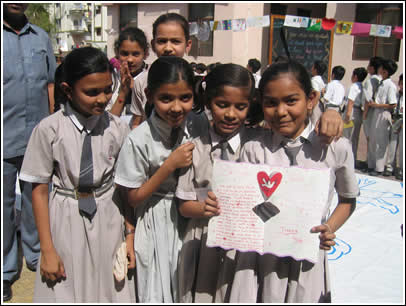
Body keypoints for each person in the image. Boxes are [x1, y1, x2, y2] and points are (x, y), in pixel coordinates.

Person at [19, 47, 134, 303]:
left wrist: (129, 237)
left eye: (107, 89)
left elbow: (126, 188)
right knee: (65, 286)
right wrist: (47, 249)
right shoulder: (49, 130)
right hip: (65, 217)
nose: (102, 98)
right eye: (91, 92)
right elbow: (37, 189)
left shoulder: (116, 129)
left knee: (109, 287)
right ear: (68, 90)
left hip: (108, 216)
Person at [240, 60, 359, 302]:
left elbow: (347, 199)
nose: (281, 111)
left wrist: (329, 227)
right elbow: (245, 202)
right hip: (262, 257)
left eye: (291, 100)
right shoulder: (253, 149)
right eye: (271, 103)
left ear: (311, 99)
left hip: (308, 257)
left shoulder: (336, 148)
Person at [114, 56, 208, 303]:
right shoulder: (139, 139)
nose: (176, 107)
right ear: (149, 95)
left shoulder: (198, 124)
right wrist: (168, 166)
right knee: (158, 287)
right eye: (166, 98)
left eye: (185, 98)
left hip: (192, 218)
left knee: (189, 286)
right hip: (155, 220)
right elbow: (132, 198)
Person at [176, 63, 263, 303]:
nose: (230, 114)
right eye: (222, 105)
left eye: (240, 106)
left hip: (245, 246)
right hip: (205, 241)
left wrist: (329, 113)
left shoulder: (259, 145)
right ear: (207, 101)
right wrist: (204, 207)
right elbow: (184, 204)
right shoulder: (194, 149)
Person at [3, 3, 57, 301]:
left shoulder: (41, 37)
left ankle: (37, 258)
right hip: (3, 137)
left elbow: (49, 84)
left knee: (37, 199)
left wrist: (49, 124)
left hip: (37, 136)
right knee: (3, 208)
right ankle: (5, 270)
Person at [129, 13, 192, 129]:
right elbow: (136, 122)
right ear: (153, 45)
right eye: (162, 41)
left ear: (187, 45)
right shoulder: (141, 82)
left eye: (175, 41)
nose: (168, 48)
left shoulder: (195, 82)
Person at [107, 27, 149, 117]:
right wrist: (123, 92)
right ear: (117, 52)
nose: (130, 59)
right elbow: (108, 120)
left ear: (145, 54)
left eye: (135, 54)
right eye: (125, 54)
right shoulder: (111, 79)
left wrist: (137, 89)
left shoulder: (150, 79)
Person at [366, 59, 398, 176]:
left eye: (381, 68)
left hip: (383, 113)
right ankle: (372, 165)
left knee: (381, 141)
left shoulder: (390, 85)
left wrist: (377, 105)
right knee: (373, 139)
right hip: (376, 112)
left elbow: (393, 103)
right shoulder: (381, 83)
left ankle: (379, 168)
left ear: (385, 71)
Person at [362, 56, 383, 173]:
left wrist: (364, 113)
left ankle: (370, 163)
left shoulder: (370, 81)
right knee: (374, 138)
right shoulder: (379, 80)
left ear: (372, 67)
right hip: (376, 112)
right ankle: (371, 161)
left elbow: (367, 99)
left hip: (369, 112)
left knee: (370, 138)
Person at [342, 67, 368, 163]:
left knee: (347, 136)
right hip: (358, 113)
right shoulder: (362, 86)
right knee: (355, 137)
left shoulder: (354, 86)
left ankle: (346, 159)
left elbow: (350, 102)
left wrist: (347, 117)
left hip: (352, 112)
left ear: (355, 76)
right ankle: (353, 157)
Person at [384, 73, 403, 179]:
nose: (402, 86)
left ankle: (401, 169)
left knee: (402, 148)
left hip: (403, 121)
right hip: (395, 120)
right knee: (392, 145)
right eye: (401, 83)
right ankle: (390, 166)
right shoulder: (396, 94)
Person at [310, 60, 327, 125]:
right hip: (320, 104)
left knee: (313, 123)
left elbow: (317, 94)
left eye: (313, 67)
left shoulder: (314, 80)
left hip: (315, 103)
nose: (311, 68)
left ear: (315, 69)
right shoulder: (321, 80)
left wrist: (312, 107)